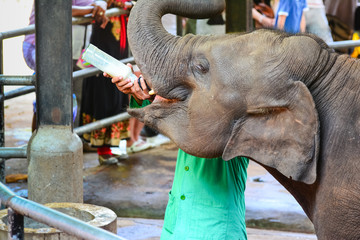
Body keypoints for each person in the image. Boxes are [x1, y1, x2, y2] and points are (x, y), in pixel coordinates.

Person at [107, 69, 249, 239]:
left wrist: (159, 98)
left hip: (215, 229)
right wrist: (141, 94)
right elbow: (167, 117)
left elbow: (201, 124)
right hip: (175, 225)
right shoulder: (192, 109)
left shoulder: (236, 113)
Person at [80, 0, 152, 165]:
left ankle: (113, 145)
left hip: (119, 46)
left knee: (118, 93)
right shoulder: (102, 5)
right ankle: (103, 149)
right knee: (103, 94)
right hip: (104, 46)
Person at [22, 0, 108, 131]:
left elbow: (98, 3)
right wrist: (93, 10)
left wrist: (100, 5)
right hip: (44, 46)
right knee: (48, 99)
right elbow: (59, 10)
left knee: (76, 96)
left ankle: (72, 137)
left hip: (77, 49)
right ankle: (38, 142)